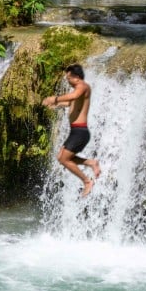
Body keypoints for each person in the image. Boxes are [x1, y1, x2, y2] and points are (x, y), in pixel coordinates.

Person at [42, 64, 101, 197]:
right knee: (61, 158)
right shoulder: (78, 90)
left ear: (76, 77)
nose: (67, 80)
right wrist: (55, 104)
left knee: (64, 159)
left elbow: (73, 96)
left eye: (68, 78)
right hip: (75, 132)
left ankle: (87, 181)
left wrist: (55, 98)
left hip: (80, 132)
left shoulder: (82, 86)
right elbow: (70, 102)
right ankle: (91, 163)